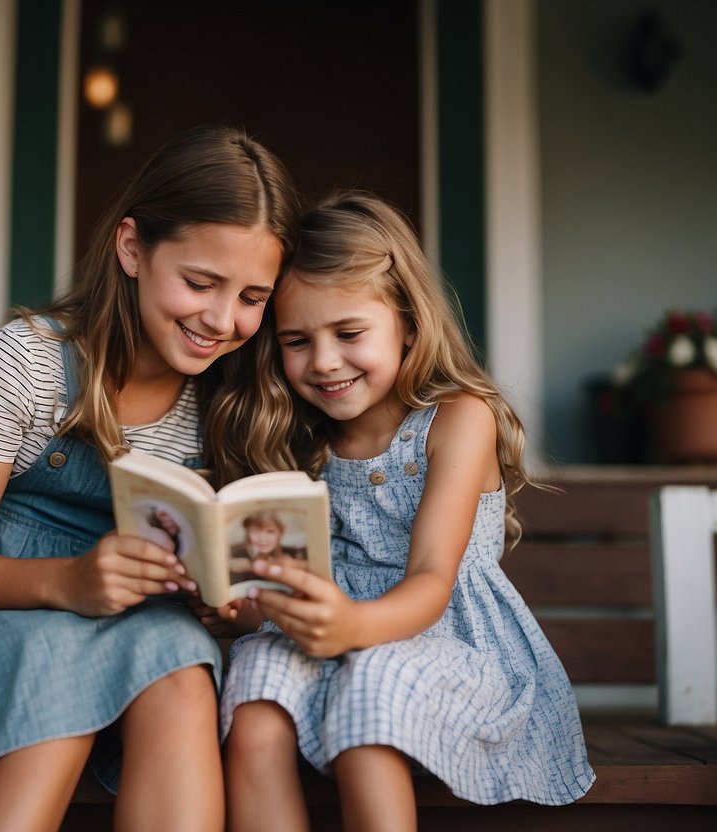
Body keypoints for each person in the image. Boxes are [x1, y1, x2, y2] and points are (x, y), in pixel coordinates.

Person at [0, 124, 302, 832]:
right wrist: (69, 583)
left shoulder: (233, 401)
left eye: (252, 297)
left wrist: (229, 602)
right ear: (132, 247)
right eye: (199, 282)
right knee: (58, 678)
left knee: (184, 665)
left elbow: (235, 584)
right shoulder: (28, 363)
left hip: (133, 635)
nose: (221, 320)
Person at [217, 192, 595, 831]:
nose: (325, 361)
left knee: (373, 682)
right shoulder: (299, 440)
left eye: (349, 333)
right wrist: (249, 604)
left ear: (409, 324)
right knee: (254, 688)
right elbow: (293, 582)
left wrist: (348, 629)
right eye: (297, 340)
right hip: (333, 637)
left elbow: (430, 581)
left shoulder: (457, 420)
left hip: (456, 646)